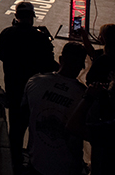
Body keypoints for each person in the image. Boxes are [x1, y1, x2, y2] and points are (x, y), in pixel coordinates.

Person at [0, 1, 57, 173]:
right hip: (34, 90)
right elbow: (48, 65)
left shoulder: (7, 34)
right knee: (36, 126)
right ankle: (33, 161)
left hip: (14, 87)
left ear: (16, 17)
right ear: (31, 17)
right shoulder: (39, 37)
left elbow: (1, 55)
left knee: (15, 128)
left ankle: (13, 160)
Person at [21, 42, 88, 175]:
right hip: (67, 167)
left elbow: (22, 117)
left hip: (36, 162)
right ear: (81, 67)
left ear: (60, 60)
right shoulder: (84, 96)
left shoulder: (35, 82)